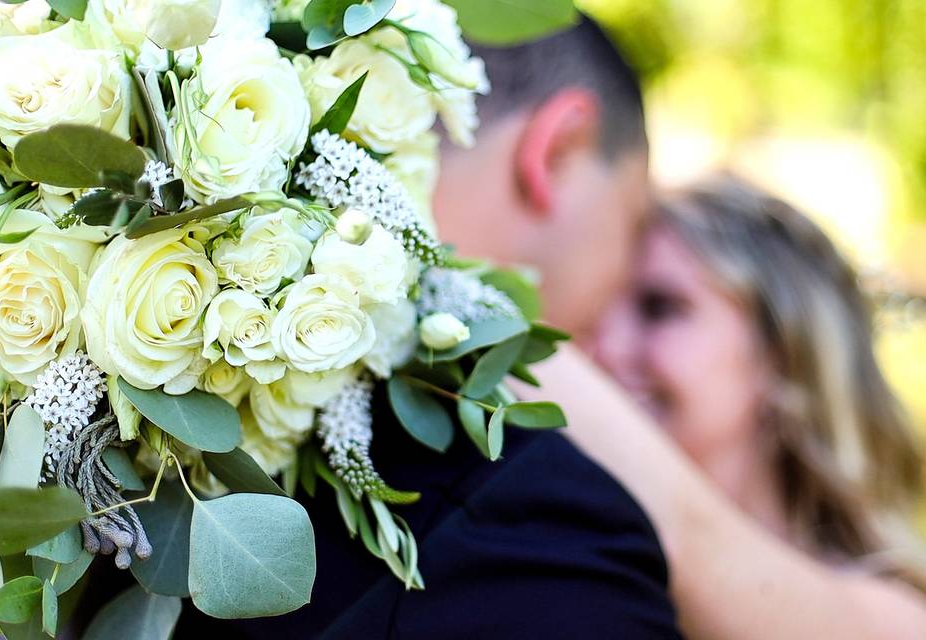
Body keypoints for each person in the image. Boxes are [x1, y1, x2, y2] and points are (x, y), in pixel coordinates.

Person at [172, 15, 680, 640]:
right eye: (632, 227)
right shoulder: (547, 535)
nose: (614, 327)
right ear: (559, 147)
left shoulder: (150, 428)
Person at [521, 175, 926, 639]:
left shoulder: (898, 619)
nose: (603, 348)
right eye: (599, 309)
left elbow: (687, 538)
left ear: (783, 356)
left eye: (659, 308)